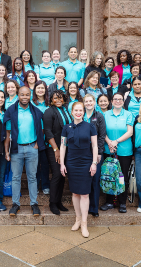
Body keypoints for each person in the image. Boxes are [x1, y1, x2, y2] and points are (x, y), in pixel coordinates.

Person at [4, 86, 45, 216]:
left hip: (32, 148)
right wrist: (6, 151)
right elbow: (8, 133)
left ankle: (34, 204)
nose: (25, 97)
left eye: (27, 95)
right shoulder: (11, 111)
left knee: (32, 177)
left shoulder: (36, 111)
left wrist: (38, 144)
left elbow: (42, 129)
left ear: (30, 95)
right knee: (15, 177)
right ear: (18, 95)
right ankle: (15, 204)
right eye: (22, 95)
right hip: (16, 149)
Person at [60, 101, 98, 238]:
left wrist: (94, 163)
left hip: (86, 162)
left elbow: (94, 146)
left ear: (83, 111)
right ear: (71, 112)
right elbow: (63, 146)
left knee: (85, 194)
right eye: (75, 110)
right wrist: (62, 164)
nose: (78, 112)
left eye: (80, 110)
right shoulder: (66, 127)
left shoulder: (90, 126)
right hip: (71, 162)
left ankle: (84, 223)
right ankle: (77, 219)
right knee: (75, 193)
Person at [100, 92, 134, 213]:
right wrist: (110, 142)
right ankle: (109, 202)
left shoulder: (128, 114)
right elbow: (102, 131)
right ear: (111, 101)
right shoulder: (105, 114)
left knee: (121, 177)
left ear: (123, 101)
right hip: (108, 149)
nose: (118, 101)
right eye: (115, 99)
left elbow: (130, 132)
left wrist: (116, 142)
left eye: (120, 99)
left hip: (124, 151)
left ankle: (122, 202)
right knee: (109, 176)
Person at [43, 90, 72, 215]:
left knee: (62, 175)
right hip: (54, 148)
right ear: (51, 100)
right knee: (56, 174)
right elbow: (48, 132)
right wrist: (56, 149)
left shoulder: (66, 110)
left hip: (66, 148)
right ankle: (53, 203)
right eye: (56, 98)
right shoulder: (48, 112)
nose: (58, 100)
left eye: (61, 98)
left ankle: (59, 201)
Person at [82, 94, 106, 217]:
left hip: (95, 153)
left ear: (94, 102)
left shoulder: (99, 116)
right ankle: (84, 208)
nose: (88, 103)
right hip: (82, 153)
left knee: (95, 180)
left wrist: (99, 153)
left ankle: (94, 208)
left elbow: (102, 136)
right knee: (85, 180)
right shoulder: (80, 115)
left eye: (90, 101)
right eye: (86, 101)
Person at [33, 81, 50, 194]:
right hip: (34, 137)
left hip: (47, 137)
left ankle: (45, 185)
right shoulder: (31, 103)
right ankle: (35, 185)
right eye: (38, 88)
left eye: (42, 88)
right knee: (34, 163)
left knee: (44, 162)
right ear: (34, 90)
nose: (40, 90)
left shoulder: (49, 104)